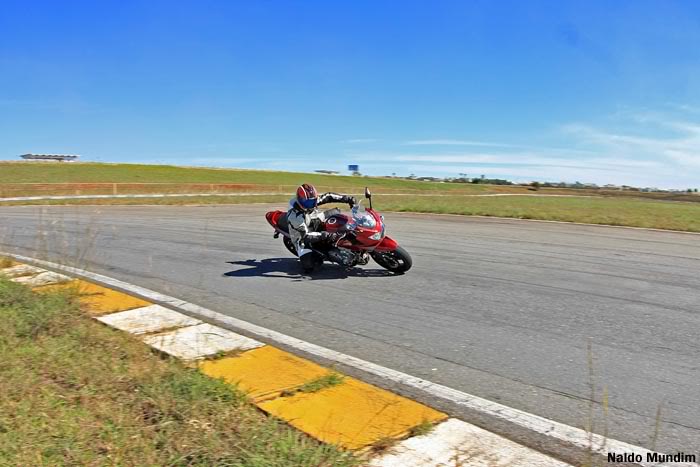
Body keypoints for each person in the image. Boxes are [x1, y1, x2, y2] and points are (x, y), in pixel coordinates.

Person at [287, 183, 356, 271]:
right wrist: (326, 235)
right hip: (302, 237)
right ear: (299, 200)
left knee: (337, 212)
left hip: (314, 220)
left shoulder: (311, 200)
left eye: (313, 201)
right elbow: (306, 236)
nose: (311, 205)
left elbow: (329, 196)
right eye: (308, 203)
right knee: (311, 265)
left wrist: (347, 199)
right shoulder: (295, 216)